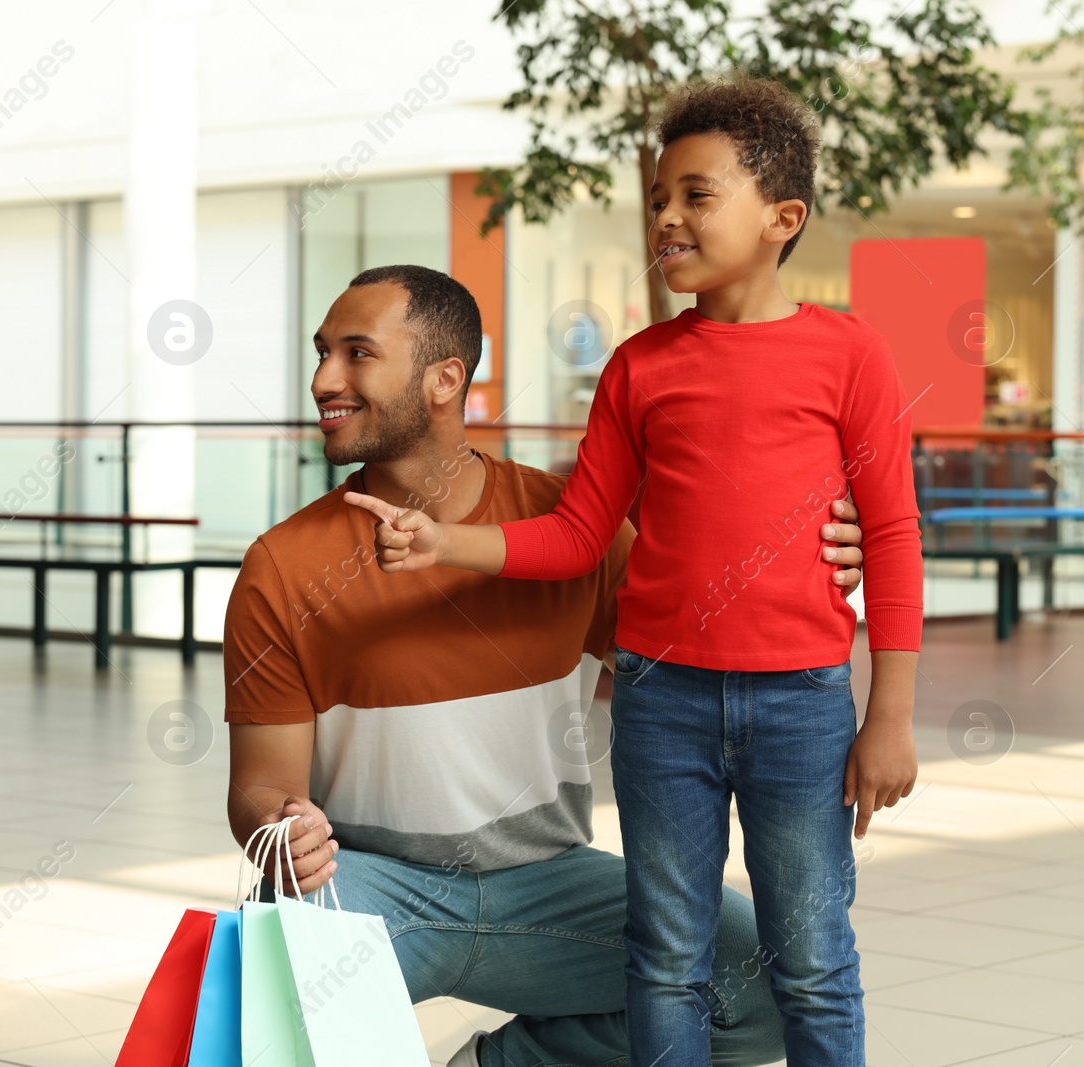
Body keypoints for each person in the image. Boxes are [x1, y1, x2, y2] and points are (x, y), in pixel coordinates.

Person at [347, 80, 924, 1067]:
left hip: (803, 705)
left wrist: (891, 717)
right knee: (665, 958)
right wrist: (448, 541)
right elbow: (577, 533)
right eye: (658, 196)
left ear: (782, 217)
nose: (666, 215)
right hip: (663, 704)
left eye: (696, 195)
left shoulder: (850, 354)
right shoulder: (638, 366)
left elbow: (895, 531)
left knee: (814, 957)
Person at [226, 262, 872, 1066]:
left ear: (444, 378)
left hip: (549, 886)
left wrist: (830, 549)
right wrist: (281, 831)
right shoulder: (281, 566)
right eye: (322, 353)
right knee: (273, 968)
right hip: (376, 891)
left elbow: (703, 626)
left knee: (763, 985)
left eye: (357, 353)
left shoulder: (568, 531)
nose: (325, 378)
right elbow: (257, 787)